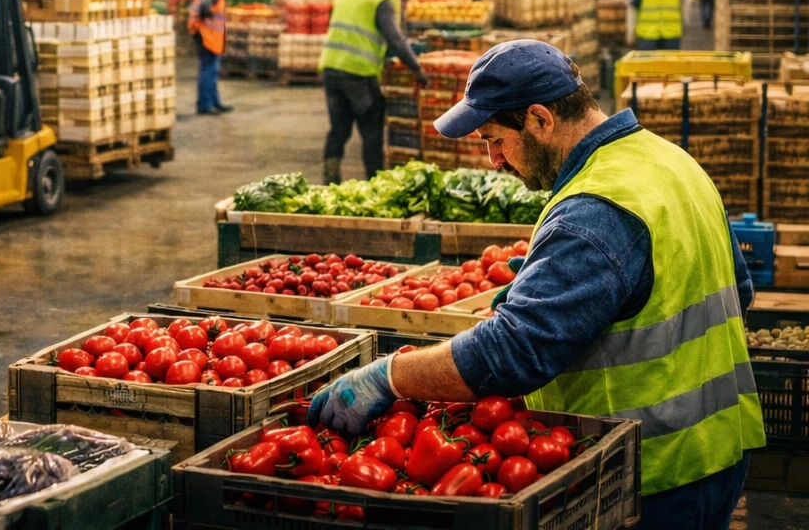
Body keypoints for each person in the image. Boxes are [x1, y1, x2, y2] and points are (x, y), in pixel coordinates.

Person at [308, 39, 761, 530]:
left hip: (651, 474)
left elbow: (513, 353)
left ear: (541, 120)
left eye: (494, 139)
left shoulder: (592, 210)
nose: (494, 161)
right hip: (720, 451)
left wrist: (389, 376)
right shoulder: (669, 161)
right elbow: (739, 290)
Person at [318, 0, 426, 181]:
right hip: (359, 73)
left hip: (331, 69)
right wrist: (416, 68)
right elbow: (395, 39)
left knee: (339, 126)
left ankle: (330, 179)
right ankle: (375, 182)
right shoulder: (378, 0)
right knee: (372, 130)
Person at [187, 0, 232, 116]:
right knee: (209, 69)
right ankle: (206, 105)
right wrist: (213, 16)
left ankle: (213, 101)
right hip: (206, 33)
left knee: (212, 68)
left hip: (209, 33)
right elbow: (204, 7)